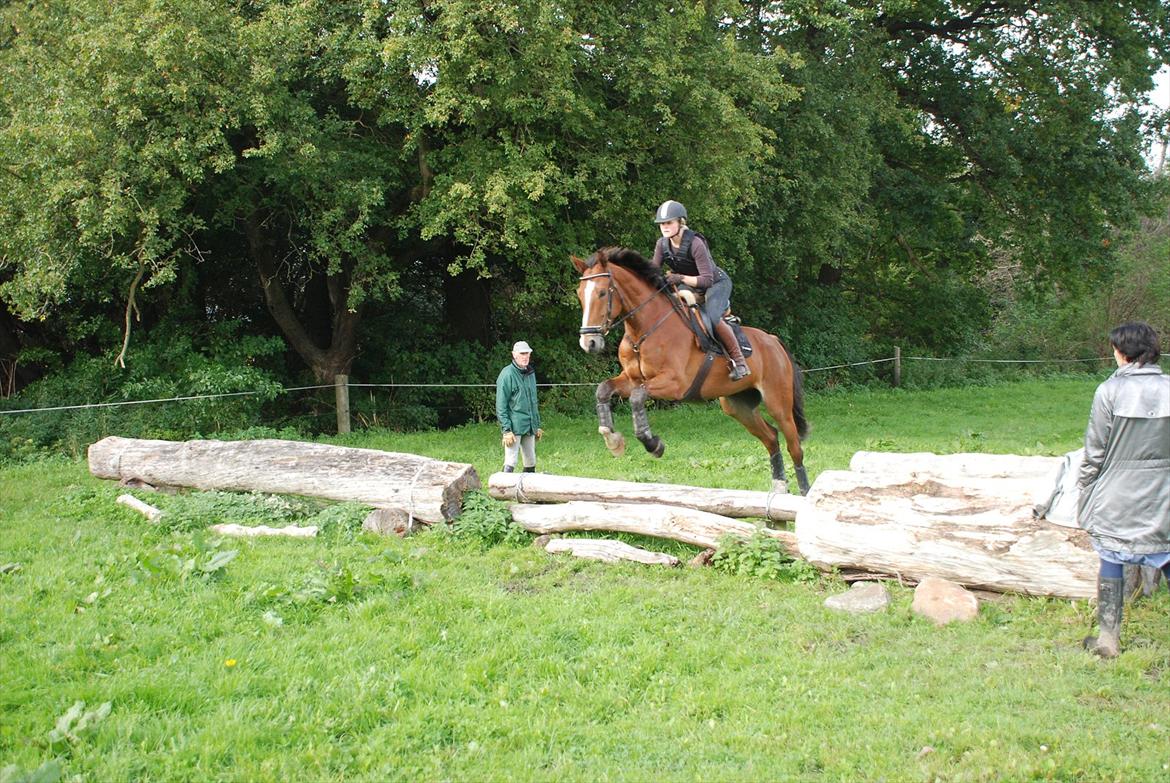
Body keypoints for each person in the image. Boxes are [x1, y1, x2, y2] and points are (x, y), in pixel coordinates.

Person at [1077, 321, 1169, 658]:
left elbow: (1094, 452)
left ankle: (1108, 641)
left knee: (1111, 555)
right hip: (1164, 495)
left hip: (1117, 493)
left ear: (1122, 353)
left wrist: (1085, 491)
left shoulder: (1109, 391)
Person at [650, 200, 750, 381]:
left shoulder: (695, 243)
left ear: (680, 222)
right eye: (662, 224)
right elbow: (652, 271)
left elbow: (706, 280)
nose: (664, 227)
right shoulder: (662, 245)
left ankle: (739, 361)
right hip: (690, 285)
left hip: (716, 284)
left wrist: (679, 278)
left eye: (669, 222)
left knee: (712, 316)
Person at [496, 340, 543, 473]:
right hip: (514, 427)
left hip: (529, 425)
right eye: (522, 354)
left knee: (531, 461)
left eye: (527, 354)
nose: (525, 357)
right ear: (514, 355)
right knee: (511, 461)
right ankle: (502, 490)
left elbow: (533, 402)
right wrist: (506, 430)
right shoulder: (507, 374)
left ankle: (527, 492)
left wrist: (537, 424)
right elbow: (501, 405)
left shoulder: (530, 373)